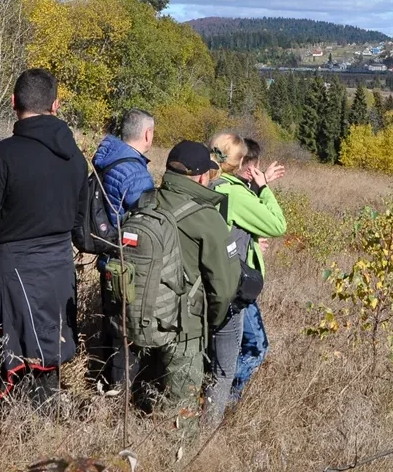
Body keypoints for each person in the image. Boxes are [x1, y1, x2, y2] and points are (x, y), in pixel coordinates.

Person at [0, 69, 86, 407]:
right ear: (56, 105)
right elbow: (79, 220)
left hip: (13, 268)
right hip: (60, 267)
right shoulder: (76, 159)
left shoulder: (4, 155)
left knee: (8, 350)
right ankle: (42, 419)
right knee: (48, 346)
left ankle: (14, 419)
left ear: (13, 103)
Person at [121, 141, 240, 419]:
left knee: (142, 402)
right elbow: (224, 289)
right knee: (180, 414)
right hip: (185, 328)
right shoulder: (207, 218)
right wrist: (210, 320)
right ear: (201, 176)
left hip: (140, 318)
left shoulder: (145, 201)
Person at [216, 137, 286, 402]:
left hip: (217, 279)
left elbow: (231, 227)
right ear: (246, 167)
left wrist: (253, 240)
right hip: (236, 284)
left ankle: (218, 396)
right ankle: (227, 402)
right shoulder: (235, 193)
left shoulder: (212, 184)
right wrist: (264, 188)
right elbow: (277, 224)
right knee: (256, 347)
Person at [91, 109, 155, 387]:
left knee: (111, 325)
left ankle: (103, 380)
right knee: (126, 333)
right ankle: (120, 392)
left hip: (107, 255)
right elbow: (149, 223)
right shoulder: (135, 173)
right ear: (147, 134)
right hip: (127, 263)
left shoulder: (106, 157)